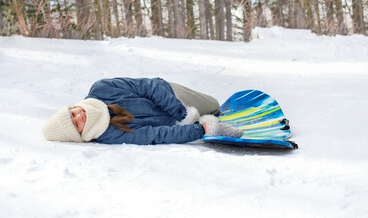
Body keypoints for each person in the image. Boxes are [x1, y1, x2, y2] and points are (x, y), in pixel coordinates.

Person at [42, 77, 243, 145]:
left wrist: (183, 115)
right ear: (80, 134)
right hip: (174, 123)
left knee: (213, 104)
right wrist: (199, 130)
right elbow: (154, 135)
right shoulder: (106, 134)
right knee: (211, 118)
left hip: (172, 96)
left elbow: (150, 87)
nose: (79, 116)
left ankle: (214, 114)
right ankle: (216, 123)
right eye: (77, 124)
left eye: (72, 113)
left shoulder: (101, 88)